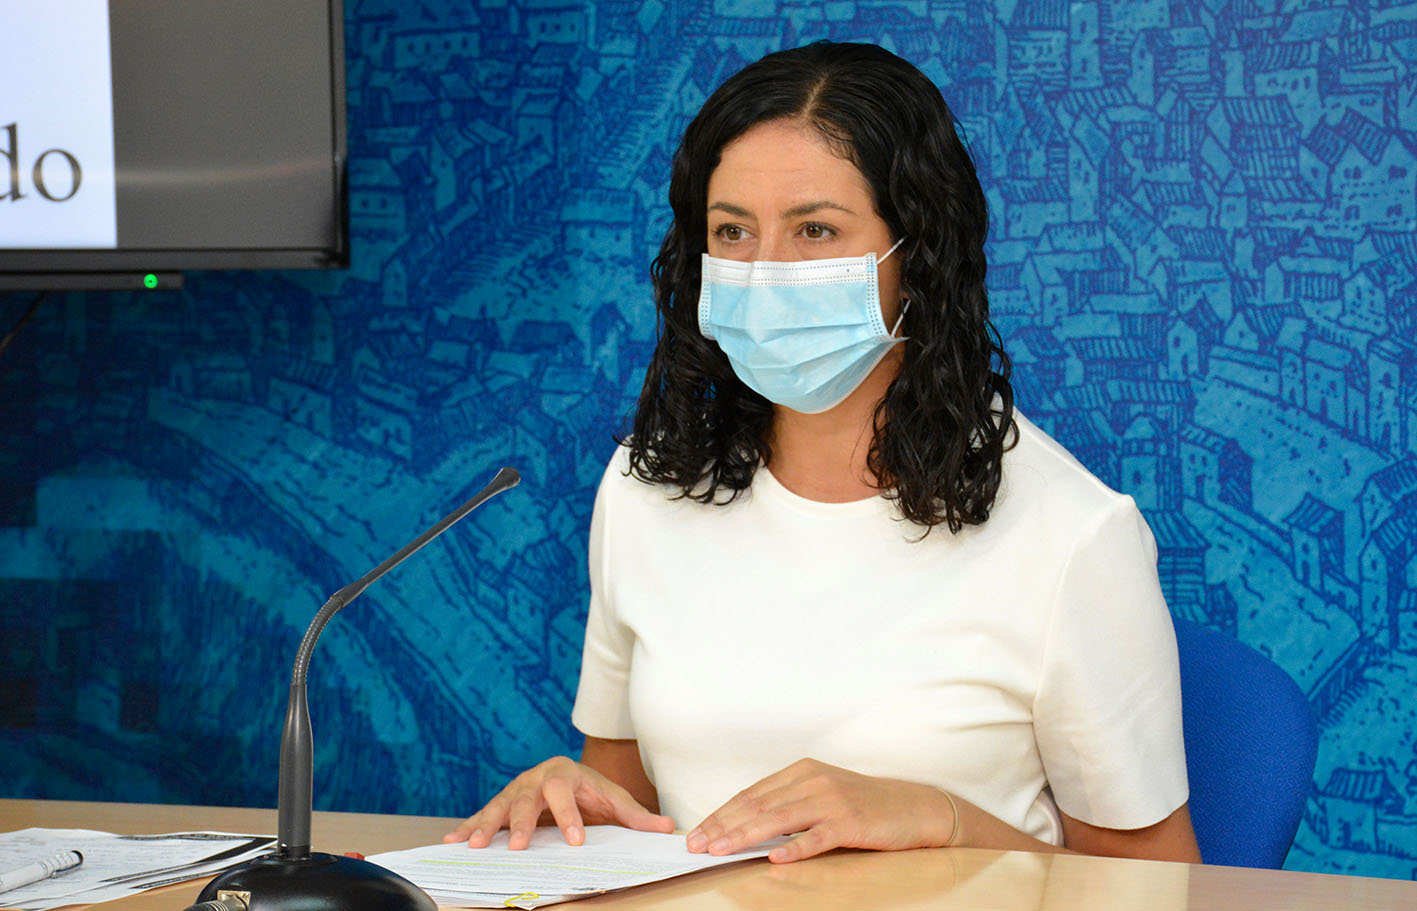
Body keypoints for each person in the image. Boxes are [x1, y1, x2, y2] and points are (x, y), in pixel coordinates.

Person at [445, 41, 1202, 865]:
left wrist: (941, 816)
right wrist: (569, 804)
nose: (764, 272)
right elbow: (627, 801)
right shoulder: (644, 490)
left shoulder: (1071, 533)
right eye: (731, 230)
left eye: (814, 230)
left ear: (915, 253)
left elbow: (1160, 886)